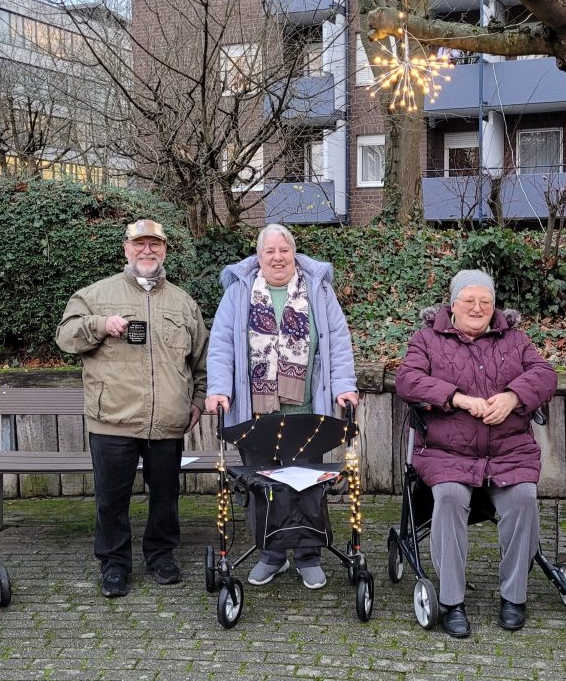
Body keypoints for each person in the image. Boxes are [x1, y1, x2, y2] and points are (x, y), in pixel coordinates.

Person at [395, 269, 557, 638]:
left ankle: (513, 596)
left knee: (524, 498)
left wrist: (513, 396)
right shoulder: (427, 339)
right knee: (449, 497)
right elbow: (407, 380)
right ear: (453, 304)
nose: (477, 307)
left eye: (485, 301)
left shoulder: (514, 339)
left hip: (508, 451)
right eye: (469, 300)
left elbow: (545, 374)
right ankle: (452, 601)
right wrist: (457, 398)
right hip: (445, 451)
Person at [56, 219, 208, 599]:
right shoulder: (94, 295)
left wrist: (199, 400)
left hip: (167, 420)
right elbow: (65, 337)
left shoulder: (183, 302)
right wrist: (99, 324)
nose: (146, 251)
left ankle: (161, 555)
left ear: (164, 251)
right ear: (126, 249)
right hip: (113, 419)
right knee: (111, 498)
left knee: (166, 495)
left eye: (154, 245)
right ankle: (114, 564)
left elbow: (201, 360)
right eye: (139, 244)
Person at [205, 223, 359, 589]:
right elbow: (222, 345)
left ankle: (308, 555)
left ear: (294, 253)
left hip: (306, 407)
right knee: (263, 485)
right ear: (258, 257)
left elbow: (338, 342)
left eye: (284, 250)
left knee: (306, 483)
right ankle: (272, 555)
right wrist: (218, 389)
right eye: (269, 251)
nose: (277, 257)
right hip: (255, 409)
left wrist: (344, 387)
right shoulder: (239, 292)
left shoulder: (319, 290)